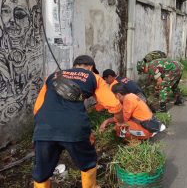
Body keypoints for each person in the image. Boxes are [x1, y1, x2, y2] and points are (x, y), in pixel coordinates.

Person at [32, 55, 123, 188]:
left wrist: (42, 128)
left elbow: (37, 108)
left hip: (43, 128)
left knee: (41, 172)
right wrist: (120, 121)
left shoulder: (52, 76)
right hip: (74, 128)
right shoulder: (93, 77)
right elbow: (114, 105)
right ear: (91, 67)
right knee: (88, 163)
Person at [100, 83, 165, 140]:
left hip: (147, 129)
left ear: (118, 95)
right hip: (151, 124)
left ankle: (134, 141)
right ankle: (138, 136)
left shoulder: (127, 100)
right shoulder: (132, 95)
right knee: (122, 124)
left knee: (119, 128)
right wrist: (107, 121)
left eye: (114, 96)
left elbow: (123, 120)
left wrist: (111, 127)